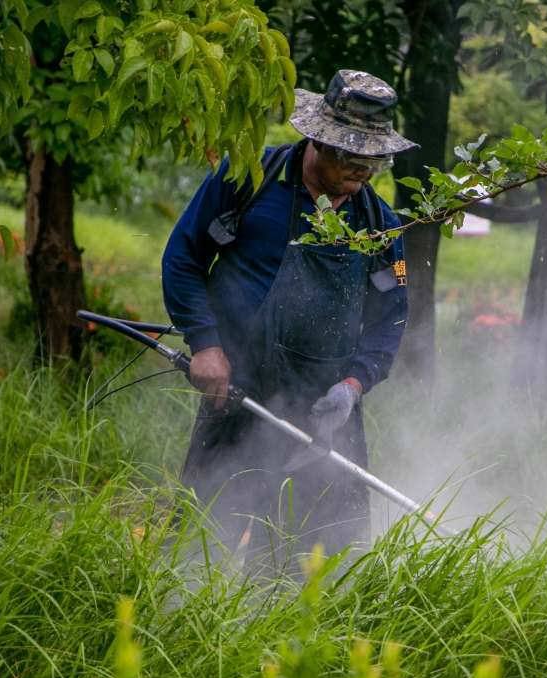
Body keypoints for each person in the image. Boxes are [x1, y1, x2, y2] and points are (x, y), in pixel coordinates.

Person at [162, 70, 416, 565]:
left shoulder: (382, 226)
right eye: (352, 154)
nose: (365, 169)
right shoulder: (247, 181)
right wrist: (206, 344)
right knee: (201, 540)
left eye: (374, 157)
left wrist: (353, 385)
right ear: (317, 140)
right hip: (241, 392)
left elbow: (392, 317)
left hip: (325, 411)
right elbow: (183, 257)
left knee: (315, 559)